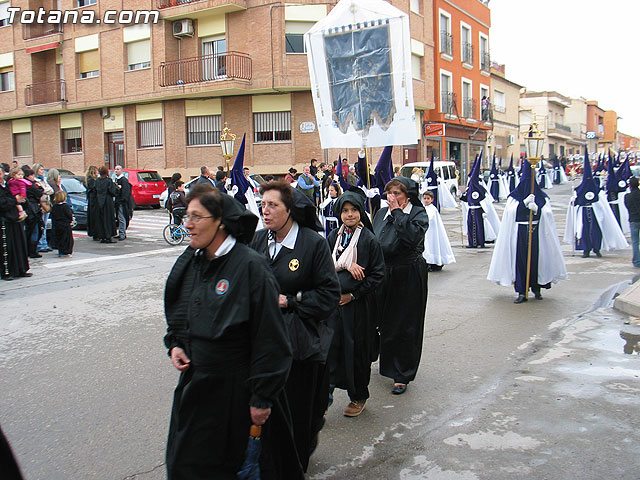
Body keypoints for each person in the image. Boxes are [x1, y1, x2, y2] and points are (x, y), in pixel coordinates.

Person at [164, 183, 304, 480]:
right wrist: (177, 343)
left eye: (196, 217)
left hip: (238, 395)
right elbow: (183, 310)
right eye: (186, 216)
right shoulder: (193, 260)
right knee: (186, 465)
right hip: (198, 389)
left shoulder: (250, 267)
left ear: (220, 223)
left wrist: (261, 398)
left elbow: (272, 339)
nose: (187, 225)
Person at [250, 181, 340, 472]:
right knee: (266, 412)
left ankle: (297, 462)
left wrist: (289, 301)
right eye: (262, 204)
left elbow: (329, 296)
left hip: (302, 346)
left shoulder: (313, 244)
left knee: (299, 415)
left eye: (272, 205)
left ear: (290, 210)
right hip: (265, 344)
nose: (265, 210)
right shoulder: (259, 240)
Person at [326, 189, 385, 417]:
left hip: (358, 308)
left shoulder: (369, 240)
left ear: (361, 212)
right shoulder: (334, 238)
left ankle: (358, 396)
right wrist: (344, 265)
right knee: (331, 350)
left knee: (356, 353)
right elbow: (324, 265)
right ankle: (325, 395)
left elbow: (378, 275)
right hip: (334, 308)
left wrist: (353, 295)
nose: (349, 215)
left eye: (354, 210)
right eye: (345, 211)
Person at [373, 177, 429, 395]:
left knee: (405, 324)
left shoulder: (417, 214)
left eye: (397, 193)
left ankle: (402, 373)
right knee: (385, 321)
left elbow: (411, 238)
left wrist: (397, 213)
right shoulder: (380, 214)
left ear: (408, 195)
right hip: (384, 272)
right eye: (390, 193)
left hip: (408, 273)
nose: (392, 197)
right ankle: (387, 364)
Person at [488, 160, 567, 303]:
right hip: (519, 233)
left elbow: (548, 214)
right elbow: (509, 214)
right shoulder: (515, 196)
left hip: (537, 232)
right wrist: (523, 205)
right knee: (521, 261)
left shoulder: (541, 197)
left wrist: (537, 209)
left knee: (537, 260)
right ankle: (522, 291)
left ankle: (537, 288)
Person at [564, 148, 628, 258]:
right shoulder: (580, 189)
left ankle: (596, 248)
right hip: (583, 212)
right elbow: (575, 203)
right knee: (583, 231)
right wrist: (573, 200)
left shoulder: (597, 190)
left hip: (595, 213)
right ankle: (586, 250)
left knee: (595, 231)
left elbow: (601, 203)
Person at [460, 154, 501, 248]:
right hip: (471, 210)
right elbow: (467, 199)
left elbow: (483, 200)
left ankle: (479, 242)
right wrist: (461, 196)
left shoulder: (480, 189)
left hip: (478, 211)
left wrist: (484, 211)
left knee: (478, 227)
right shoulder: (469, 188)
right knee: (471, 226)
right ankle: (472, 243)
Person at [0, 167, 31, 280]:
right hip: (4, 221)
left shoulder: (9, 184)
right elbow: (3, 202)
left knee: (19, 244)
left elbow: (19, 195)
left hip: (15, 219)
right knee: (7, 247)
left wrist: (22, 203)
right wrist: (15, 201)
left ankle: (21, 269)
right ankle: (7, 272)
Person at [421, 191, 455, 272]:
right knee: (427, 246)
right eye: (424, 198)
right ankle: (428, 262)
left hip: (432, 232)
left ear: (432, 199)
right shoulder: (423, 208)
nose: (426, 200)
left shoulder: (432, 209)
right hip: (427, 232)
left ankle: (434, 262)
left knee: (433, 246)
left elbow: (429, 217)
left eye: (428, 199)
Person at [23, 168, 44, 259]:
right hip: (32, 209)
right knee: (34, 230)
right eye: (32, 175)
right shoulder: (29, 185)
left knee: (34, 230)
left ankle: (31, 250)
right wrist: (39, 187)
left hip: (32, 208)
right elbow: (39, 192)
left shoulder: (28, 184)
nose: (33, 177)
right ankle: (32, 251)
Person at [32, 163, 53, 252]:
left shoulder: (44, 180)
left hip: (47, 203)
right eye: (41, 169)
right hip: (41, 204)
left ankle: (44, 243)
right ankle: (40, 244)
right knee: (40, 226)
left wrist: (45, 190)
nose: (42, 171)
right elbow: (41, 191)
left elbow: (50, 190)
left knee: (44, 225)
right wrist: (44, 191)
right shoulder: (35, 180)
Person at [95, 166, 118, 244]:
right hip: (107, 201)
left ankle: (102, 236)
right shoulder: (108, 181)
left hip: (99, 201)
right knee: (108, 219)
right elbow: (112, 191)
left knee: (101, 219)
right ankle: (108, 236)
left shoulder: (97, 181)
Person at [50, 190, 74, 258]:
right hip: (65, 225)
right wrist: (71, 220)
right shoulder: (65, 206)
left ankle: (61, 251)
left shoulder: (54, 207)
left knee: (59, 238)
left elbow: (53, 215)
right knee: (67, 239)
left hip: (57, 224)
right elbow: (69, 215)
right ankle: (66, 252)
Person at [113, 165, 134, 241]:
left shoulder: (123, 180)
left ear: (121, 170)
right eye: (115, 169)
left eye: (118, 169)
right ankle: (121, 233)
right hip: (118, 202)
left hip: (122, 202)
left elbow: (126, 192)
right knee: (119, 217)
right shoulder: (116, 179)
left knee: (122, 218)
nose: (116, 171)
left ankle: (122, 234)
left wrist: (122, 200)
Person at [624, 177, 640, 268]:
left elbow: (627, 207)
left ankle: (637, 261)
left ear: (629, 185)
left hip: (633, 219)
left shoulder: (628, 196)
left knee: (635, 242)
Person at [84, 166, 99, 241]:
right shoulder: (92, 180)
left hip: (92, 201)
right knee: (94, 217)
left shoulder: (89, 180)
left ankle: (94, 232)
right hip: (93, 201)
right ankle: (95, 233)